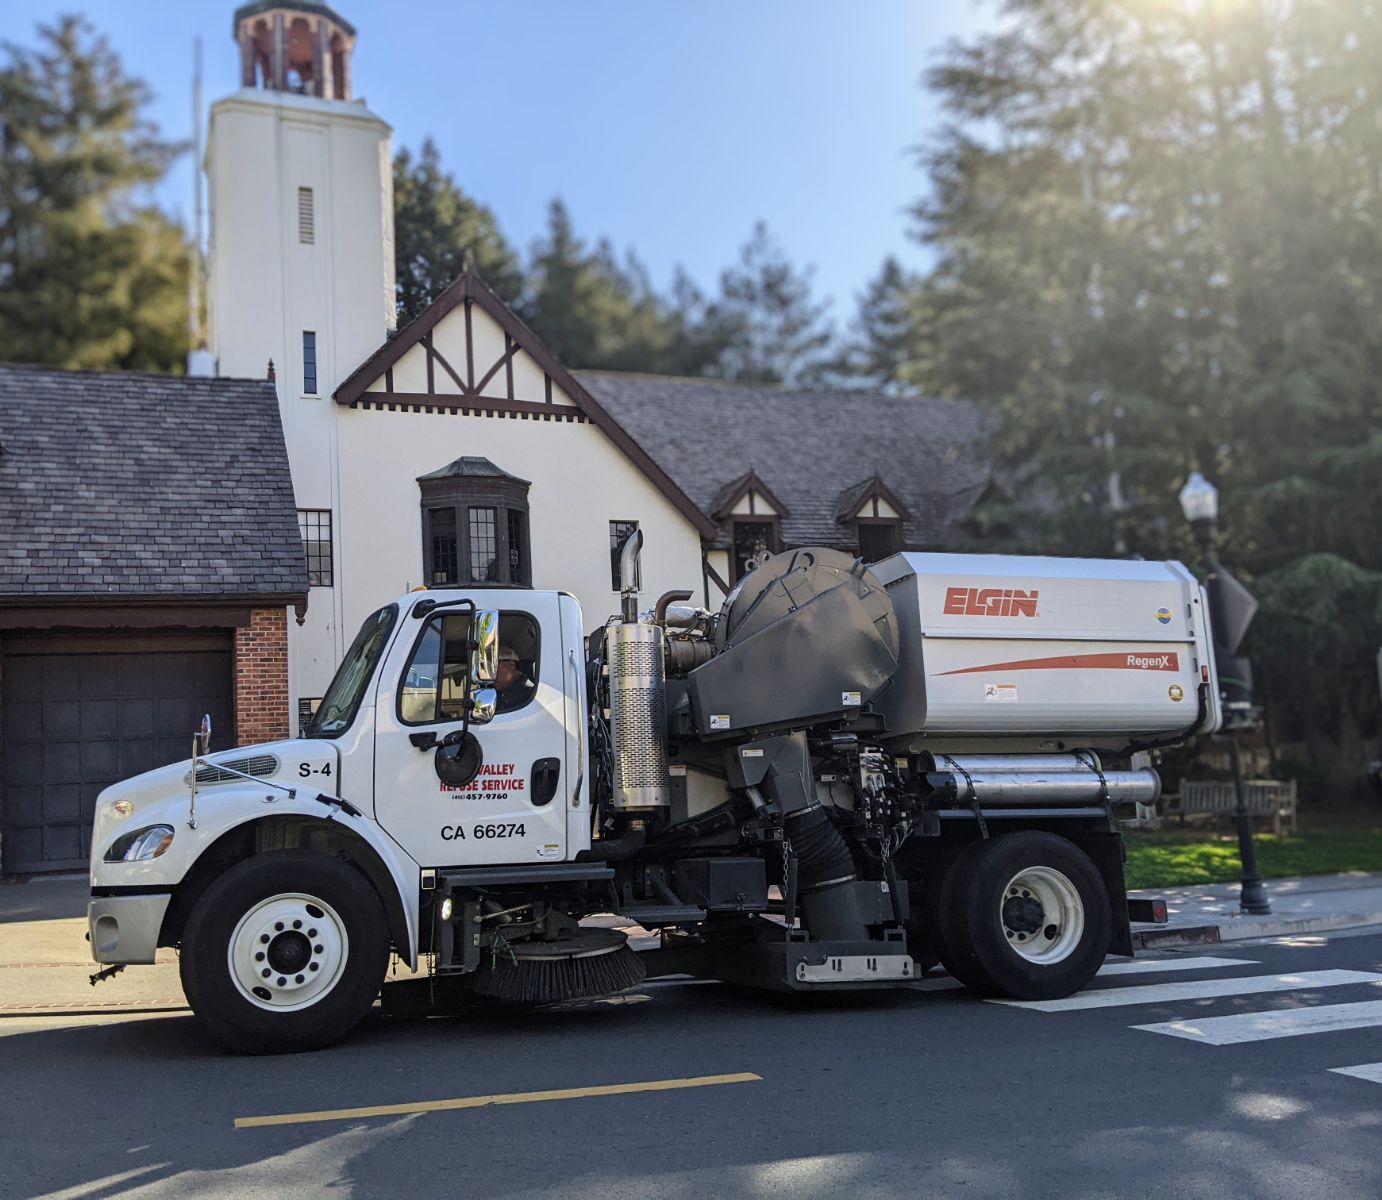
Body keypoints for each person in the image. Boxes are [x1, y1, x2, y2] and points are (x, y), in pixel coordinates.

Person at [494, 645, 535, 714]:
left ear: (511, 665)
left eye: (495, 667)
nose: (493, 674)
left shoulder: (524, 694)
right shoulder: (509, 691)